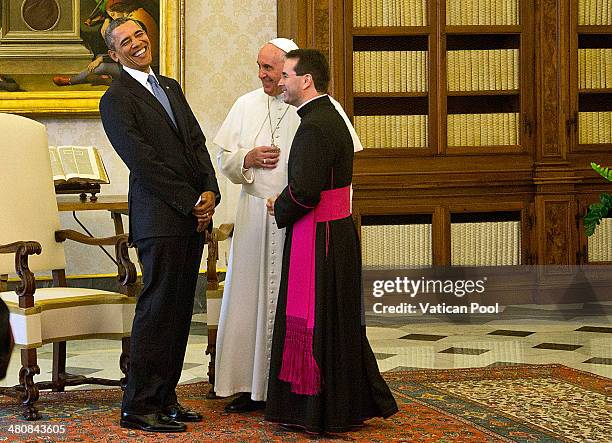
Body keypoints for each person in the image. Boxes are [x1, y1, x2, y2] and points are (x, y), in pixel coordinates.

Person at [213, 38, 363, 413]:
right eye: (260, 67)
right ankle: (249, 386)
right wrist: (246, 157)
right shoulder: (246, 104)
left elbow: (338, 173)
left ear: (293, 73)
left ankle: (290, 388)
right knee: (252, 301)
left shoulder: (318, 111)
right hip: (256, 219)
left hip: (301, 219)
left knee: (301, 307)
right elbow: (223, 159)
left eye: (273, 69)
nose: (265, 76)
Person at [264, 49, 398, 433]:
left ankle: (317, 412)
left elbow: (306, 190)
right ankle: (340, 406)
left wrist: (280, 205)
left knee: (319, 322)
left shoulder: (315, 124)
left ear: (306, 80)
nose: (281, 82)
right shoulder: (328, 117)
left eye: (286, 75)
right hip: (332, 233)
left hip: (318, 235)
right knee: (335, 321)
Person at [99, 17, 219, 433]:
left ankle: (165, 399)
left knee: (180, 312)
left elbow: (196, 141)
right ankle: (139, 406)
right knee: (156, 312)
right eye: (125, 41)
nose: (137, 43)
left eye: (140, 35)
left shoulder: (169, 86)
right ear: (114, 55)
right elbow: (143, 161)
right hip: (160, 218)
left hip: (190, 217)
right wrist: (189, 201)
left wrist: (210, 190)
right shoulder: (116, 99)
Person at [54, 0, 158, 87]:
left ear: (121, 9)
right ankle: (108, 78)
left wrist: (103, 59)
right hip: (139, 61)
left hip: (144, 66)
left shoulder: (133, 23)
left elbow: (131, 52)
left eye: (112, 14)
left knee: (101, 67)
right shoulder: (135, 13)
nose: (113, 18)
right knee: (99, 58)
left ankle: (70, 81)